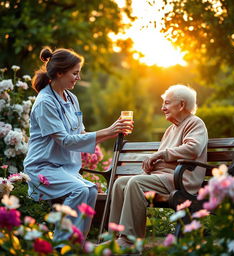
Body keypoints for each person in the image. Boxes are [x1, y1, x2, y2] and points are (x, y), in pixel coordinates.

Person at [23, 47, 133, 247]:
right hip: (42, 168)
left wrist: (113, 132)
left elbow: (80, 135)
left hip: (65, 168)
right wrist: (109, 130)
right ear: (59, 73)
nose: (78, 78)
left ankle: (76, 243)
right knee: (80, 190)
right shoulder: (45, 102)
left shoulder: (71, 98)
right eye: (74, 73)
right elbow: (65, 140)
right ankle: (61, 246)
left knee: (90, 190)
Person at [108, 84, 208, 248]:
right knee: (120, 183)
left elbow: (193, 149)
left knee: (136, 183)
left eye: (167, 103)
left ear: (181, 105)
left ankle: (130, 241)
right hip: (164, 178)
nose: (162, 108)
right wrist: (151, 164)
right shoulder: (170, 130)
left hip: (181, 180)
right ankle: (115, 237)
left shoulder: (195, 123)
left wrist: (160, 155)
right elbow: (165, 157)